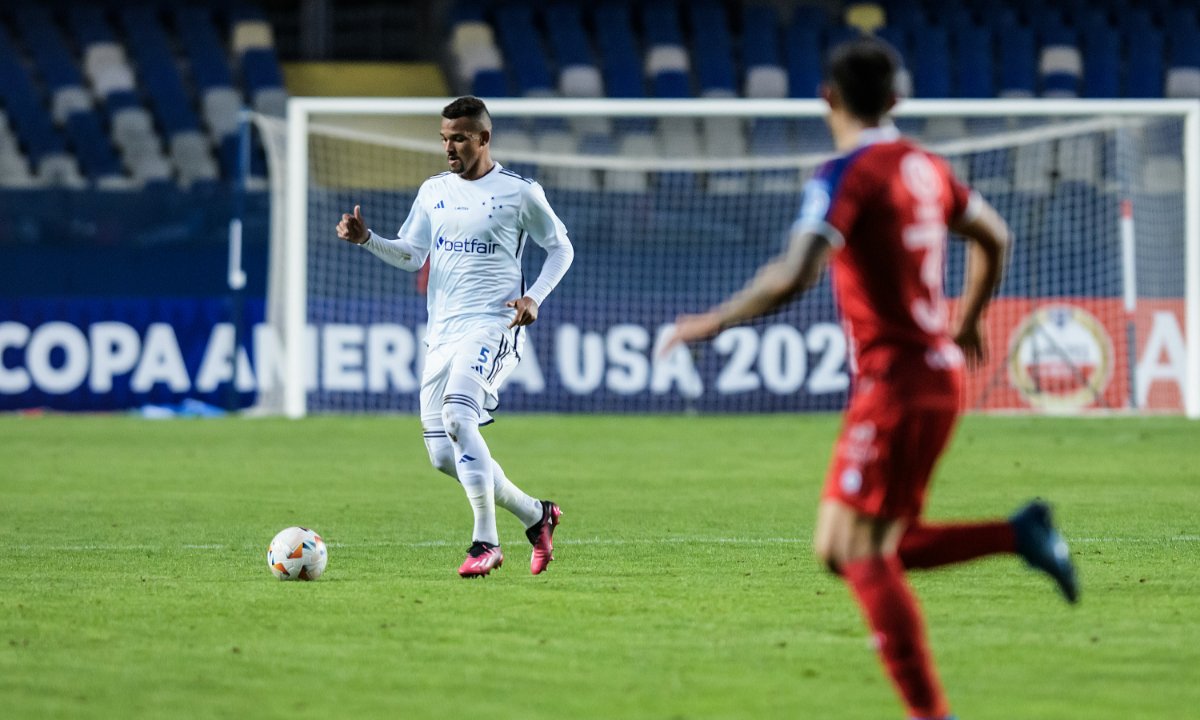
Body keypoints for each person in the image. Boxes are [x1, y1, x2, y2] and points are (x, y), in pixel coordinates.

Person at [663, 38, 1078, 720]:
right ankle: (1018, 535)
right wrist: (968, 320)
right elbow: (995, 236)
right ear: (895, 100)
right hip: (929, 376)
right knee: (843, 547)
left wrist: (710, 323)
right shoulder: (927, 167)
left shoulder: (846, 173)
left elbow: (796, 273)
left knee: (860, 552)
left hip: (898, 382)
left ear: (827, 98)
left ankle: (930, 712)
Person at [336, 96, 574, 578]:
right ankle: (536, 515)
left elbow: (560, 248)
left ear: (483, 139)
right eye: (444, 139)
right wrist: (367, 240)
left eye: (459, 138)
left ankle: (486, 542)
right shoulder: (433, 191)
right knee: (444, 454)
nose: (449, 148)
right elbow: (412, 255)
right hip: (441, 334)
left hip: (494, 325)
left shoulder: (519, 192)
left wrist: (535, 297)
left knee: (458, 415)